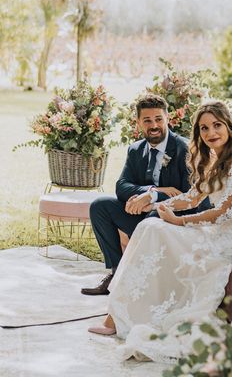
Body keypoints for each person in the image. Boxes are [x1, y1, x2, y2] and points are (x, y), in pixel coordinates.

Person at [87, 100, 232, 363]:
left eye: (217, 125)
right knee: (150, 225)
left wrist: (179, 222)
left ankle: (118, 317)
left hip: (229, 241)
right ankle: (118, 314)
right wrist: (158, 205)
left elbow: (225, 212)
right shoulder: (215, 160)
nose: (211, 133)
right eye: (204, 128)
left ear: (229, 126)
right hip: (212, 232)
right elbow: (192, 197)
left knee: (154, 229)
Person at [82, 94, 211, 296]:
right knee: (99, 206)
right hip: (143, 215)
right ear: (138, 123)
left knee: (152, 219)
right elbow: (121, 186)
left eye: (159, 119)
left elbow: (190, 197)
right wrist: (151, 191)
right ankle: (117, 273)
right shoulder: (135, 150)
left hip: (174, 220)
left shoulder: (185, 149)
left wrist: (152, 200)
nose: (154, 125)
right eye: (147, 120)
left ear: (168, 118)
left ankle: (140, 281)